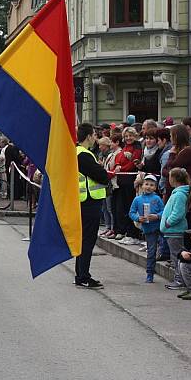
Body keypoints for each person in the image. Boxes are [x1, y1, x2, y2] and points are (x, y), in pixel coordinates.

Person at [75, 123, 111, 288]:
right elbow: (102, 176)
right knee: (87, 241)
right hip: (89, 201)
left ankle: (80, 275)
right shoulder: (84, 155)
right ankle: (83, 276)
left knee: (83, 240)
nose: (96, 138)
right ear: (89, 136)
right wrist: (103, 170)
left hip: (82, 201)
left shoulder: (76, 152)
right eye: (94, 135)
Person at [129, 174, 165, 283]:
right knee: (151, 251)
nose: (148, 187)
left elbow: (164, 211)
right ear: (142, 185)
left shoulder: (157, 198)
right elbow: (131, 212)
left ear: (155, 187)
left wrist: (157, 216)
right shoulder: (137, 199)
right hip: (148, 229)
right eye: (146, 184)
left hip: (160, 227)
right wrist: (138, 218)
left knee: (164, 246)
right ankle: (150, 273)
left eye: (151, 185)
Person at [161, 168, 191, 290]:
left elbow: (178, 213)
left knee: (177, 256)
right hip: (171, 231)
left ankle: (179, 280)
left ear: (174, 179)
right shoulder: (177, 193)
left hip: (175, 230)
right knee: (175, 256)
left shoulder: (179, 195)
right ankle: (178, 279)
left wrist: (168, 223)